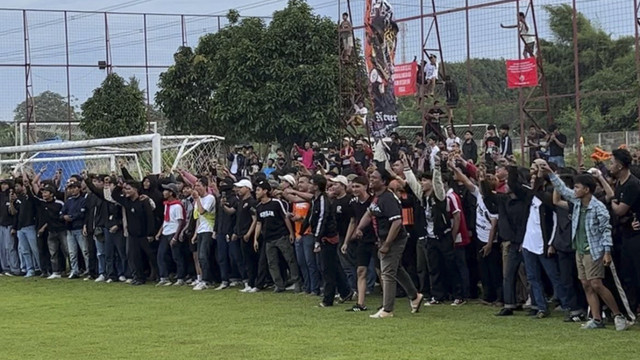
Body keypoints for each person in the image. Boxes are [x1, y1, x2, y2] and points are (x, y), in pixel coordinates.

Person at [545, 163, 630, 330]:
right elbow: (562, 189)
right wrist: (550, 173)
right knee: (585, 284)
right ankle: (597, 319)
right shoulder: (577, 203)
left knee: (597, 284)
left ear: (586, 189)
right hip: (580, 249)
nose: (574, 190)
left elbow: (606, 231)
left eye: (577, 187)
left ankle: (618, 315)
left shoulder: (599, 208)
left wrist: (606, 252)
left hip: (594, 250)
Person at [355, 168, 423, 318]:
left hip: (395, 239)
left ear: (384, 182)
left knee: (387, 272)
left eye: (374, 178)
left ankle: (387, 309)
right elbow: (369, 212)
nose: (371, 180)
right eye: (370, 177)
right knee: (396, 269)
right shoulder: (376, 198)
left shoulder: (388, 199)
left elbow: (397, 222)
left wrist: (387, 244)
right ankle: (415, 296)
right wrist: (360, 227)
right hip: (385, 237)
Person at [303, 175, 353, 306]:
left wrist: (317, 239)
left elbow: (322, 220)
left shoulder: (323, 201)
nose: (308, 185)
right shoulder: (316, 200)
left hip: (327, 237)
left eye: (310, 183)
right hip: (323, 236)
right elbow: (310, 217)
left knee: (327, 269)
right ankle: (346, 291)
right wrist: (303, 229)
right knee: (334, 266)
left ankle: (328, 299)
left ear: (316, 186)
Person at [254, 179, 301, 293]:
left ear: (265, 191)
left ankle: (296, 283)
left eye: (258, 190)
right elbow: (259, 223)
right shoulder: (259, 207)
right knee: (272, 263)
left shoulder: (276, 203)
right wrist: (255, 239)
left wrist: (290, 233)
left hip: (281, 236)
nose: (256, 192)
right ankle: (279, 285)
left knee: (290, 259)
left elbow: (285, 217)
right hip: (268, 239)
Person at [608, 149, 640, 314]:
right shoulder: (619, 183)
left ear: (620, 166)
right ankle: (630, 309)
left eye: (612, 162)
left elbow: (620, 209)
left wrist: (613, 201)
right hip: (624, 234)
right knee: (627, 274)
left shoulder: (632, 184)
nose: (610, 166)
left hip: (635, 236)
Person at [111, 180, 156, 286]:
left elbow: (150, 218)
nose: (126, 191)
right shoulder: (127, 201)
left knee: (150, 255)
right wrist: (119, 186)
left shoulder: (143, 201)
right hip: (132, 234)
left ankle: (160, 275)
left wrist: (150, 233)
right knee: (133, 257)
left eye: (128, 189)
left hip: (144, 234)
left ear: (135, 189)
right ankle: (138, 277)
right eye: (125, 189)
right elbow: (115, 195)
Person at [343, 176, 376, 311]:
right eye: (353, 186)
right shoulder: (354, 203)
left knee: (380, 271)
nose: (355, 189)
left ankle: (386, 302)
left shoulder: (373, 201)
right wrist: (346, 241)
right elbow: (353, 221)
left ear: (366, 186)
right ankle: (360, 303)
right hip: (362, 241)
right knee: (361, 270)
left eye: (358, 186)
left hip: (375, 240)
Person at [155, 183, 186, 286]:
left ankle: (181, 277)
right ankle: (164, 277)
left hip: (173, 232)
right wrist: (159, 232)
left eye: (166, 191)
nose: (164, 193)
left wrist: (175, 236)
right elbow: (166, 220)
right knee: (161, 255)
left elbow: (180, 221)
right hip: (166, 232)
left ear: (171, 192)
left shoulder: (177, 206)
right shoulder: (166, 205)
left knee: (176, 256)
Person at [191, 177, 217, 291]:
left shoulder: (210, 198)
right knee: (200, 257)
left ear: (205, 186)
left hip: (208, 229)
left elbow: (202, 211)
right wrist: (195, 234)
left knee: (203, 255)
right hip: (201, 230)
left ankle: (206, 280)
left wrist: (197, 199)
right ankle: (202, 278)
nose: (197, 188)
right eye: (195, 186)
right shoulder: (197, 201)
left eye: (199, 186)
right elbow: (198, 218)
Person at [10, 178, 39, 278]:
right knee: (24, 250)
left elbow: (30, 194)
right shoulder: (20, 198)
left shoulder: (32, 198)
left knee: (35, 249)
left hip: (30, 226)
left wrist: (27, 184)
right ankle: (29, 269)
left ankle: (40, 268)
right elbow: (15, 213)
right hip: (20, 228)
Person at [233, 179, 258, 293]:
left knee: (250, 260)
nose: (238, 190)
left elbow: (255, 219)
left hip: (247, 235)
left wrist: (249, 233)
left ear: (248, 188)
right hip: (241, 234)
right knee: (244, 259)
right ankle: (248, 282)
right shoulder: (241, 202)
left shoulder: (251, 202)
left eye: (241, 187)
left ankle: (253, 283)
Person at [61, 182, 89, 280]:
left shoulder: (83, 200)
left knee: (85, 250)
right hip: (70, 229)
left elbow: (82, 213)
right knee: (72, 252)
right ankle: (74, 270)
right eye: (70, 188)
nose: (72, 190)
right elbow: (62, 212)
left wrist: (71, 217)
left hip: (79, 228)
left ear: (79, 189)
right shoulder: (68, 201)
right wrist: (64, 217)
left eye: (74, 188)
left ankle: (89, 269)